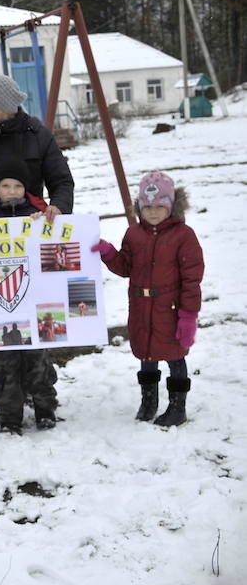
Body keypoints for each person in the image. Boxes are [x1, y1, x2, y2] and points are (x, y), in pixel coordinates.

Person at [92, 172, 204, 426]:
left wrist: (188, 316)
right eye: (148, 207)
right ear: (140, 207)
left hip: (170, 308)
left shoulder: (184, 236)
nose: (153, 212)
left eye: (160, 206)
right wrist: (109, 253)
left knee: (175, 356)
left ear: (172, 206)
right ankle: (149, 402)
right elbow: (126, 267)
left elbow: (192, 279)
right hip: (141, 308)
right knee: (146, 356)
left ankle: (177, 407)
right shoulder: (134, 234)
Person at [0, 158, 59, 433]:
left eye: (18, 185)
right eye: (5, 185)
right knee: (4, 367)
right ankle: (9, 415)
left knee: (38, 363)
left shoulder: (40, 214)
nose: (12, 191)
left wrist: (42, 222)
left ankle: (45, 409)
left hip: (33, 306)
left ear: (27, 188)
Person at [0, 73, 74, 226]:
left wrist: (58, 207)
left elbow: (61, 181)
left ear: (1, 105)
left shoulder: (38, 136)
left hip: (33, 225)